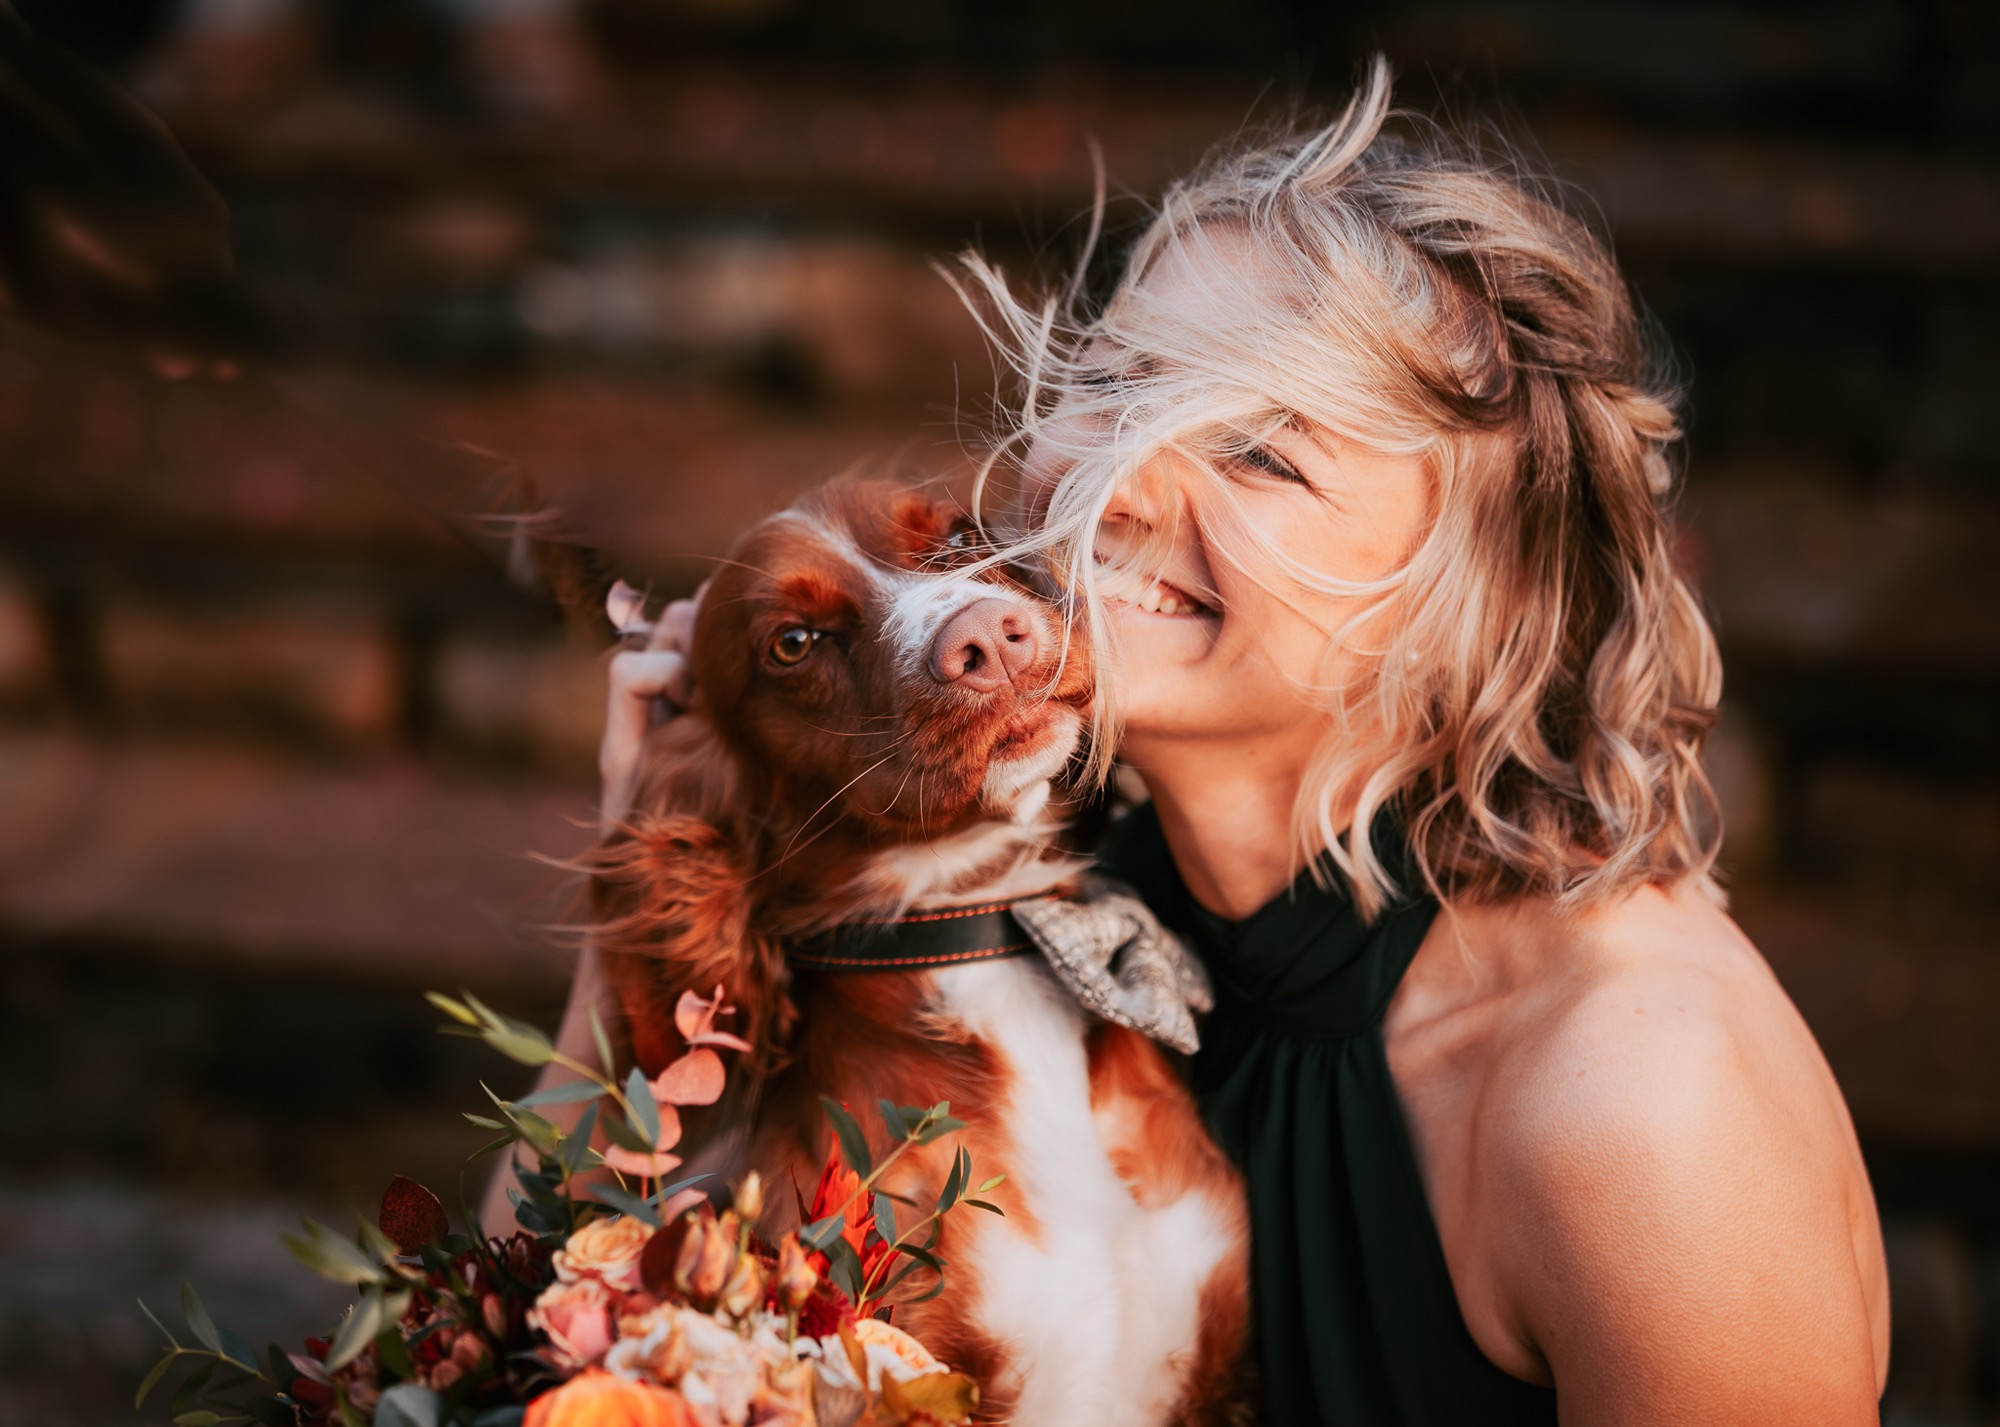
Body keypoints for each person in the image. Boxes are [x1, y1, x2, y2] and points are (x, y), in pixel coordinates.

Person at [546, 58, 1890, 1425]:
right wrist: (659, 835)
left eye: (1260, 451)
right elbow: (540, 1323)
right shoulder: (1057, 895)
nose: (1120, 481)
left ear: (1459, 610)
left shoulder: (1640, 1099)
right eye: (1120, 381)